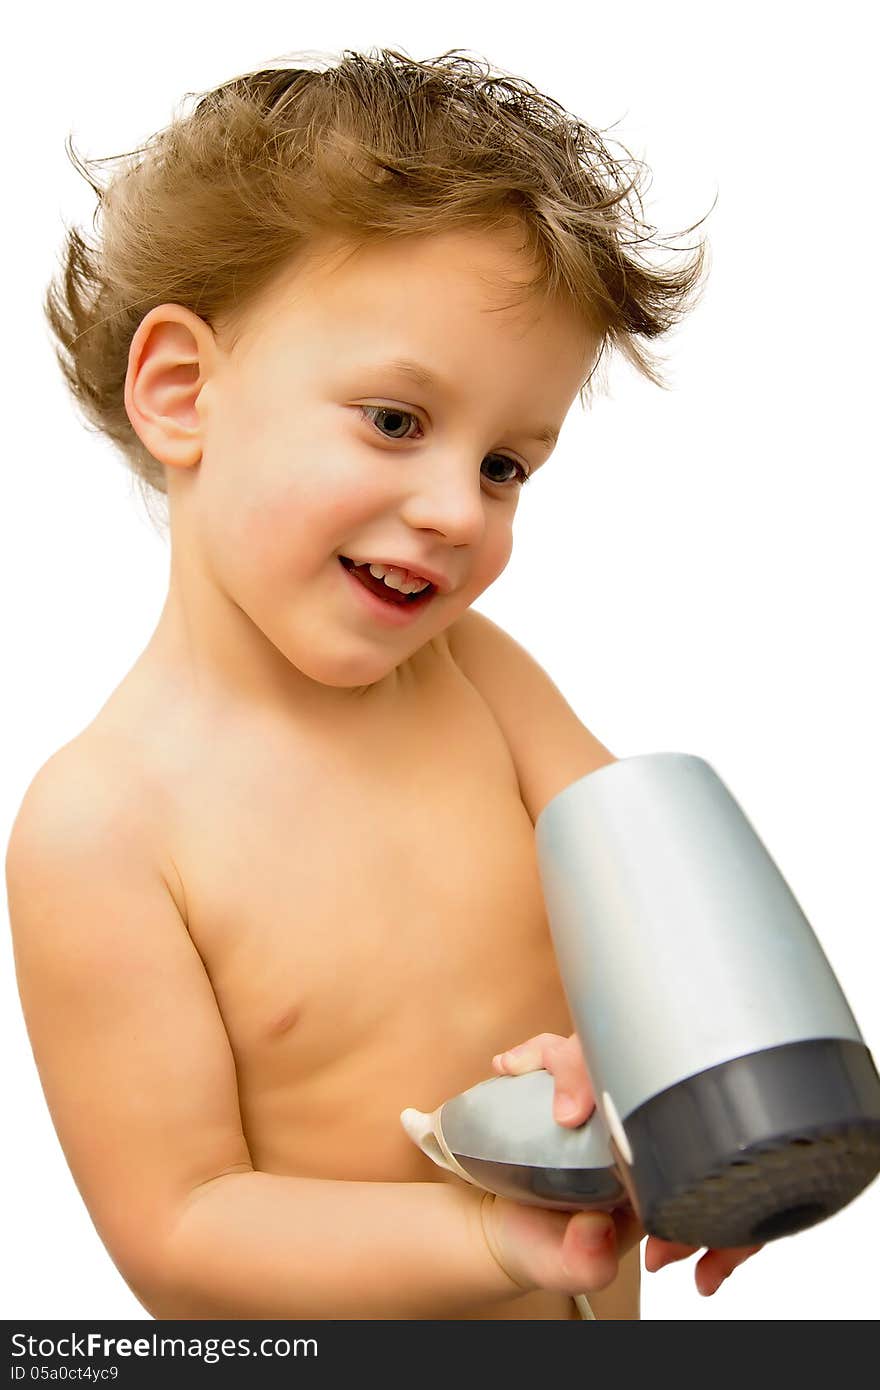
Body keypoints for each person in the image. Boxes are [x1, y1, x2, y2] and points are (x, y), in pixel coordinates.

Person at [5, 47, 761, 1319]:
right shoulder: (103, 833)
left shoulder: (485, 682)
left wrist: (686, 1102)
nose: (457, 508)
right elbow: (180, 1230)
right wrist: (504, 1241)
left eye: (509, 464)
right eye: (398, 422)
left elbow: (671, 935)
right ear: (183, 393)